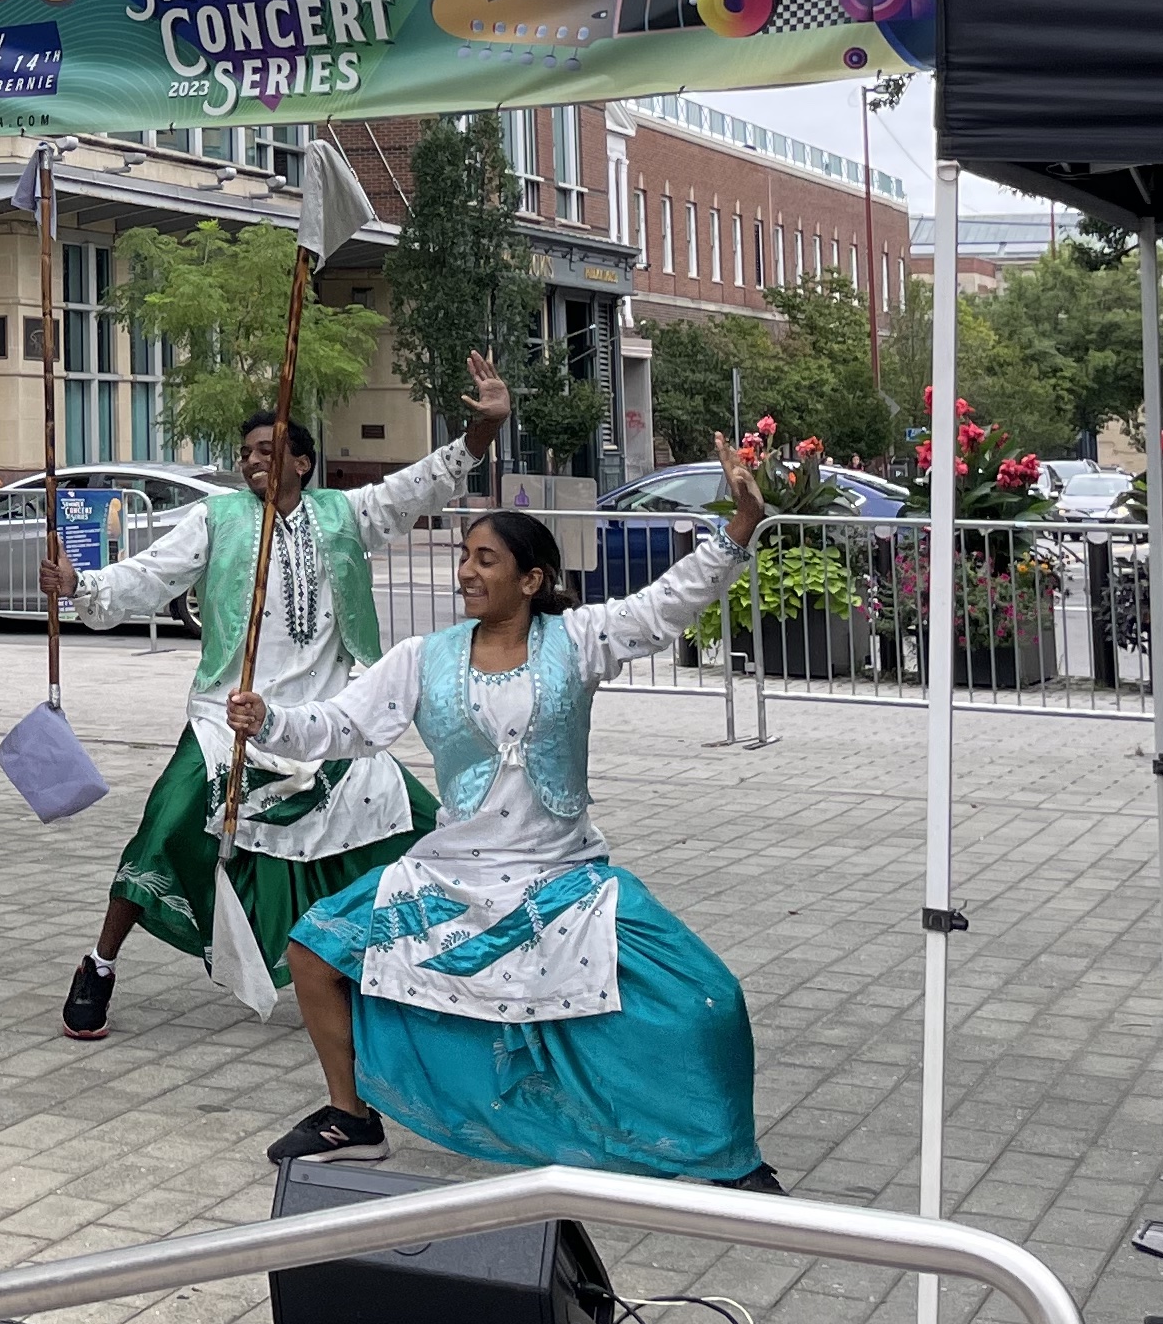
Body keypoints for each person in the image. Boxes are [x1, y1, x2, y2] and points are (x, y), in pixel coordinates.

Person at [232, 449, 777, 1185]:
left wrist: (739, 523)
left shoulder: (580, 640)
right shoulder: (424, 657)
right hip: (450, 875)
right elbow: (339, 726)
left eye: (485, 559)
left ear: (531, 580)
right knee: (315, 953)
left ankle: (720, 1155)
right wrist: (267, 721)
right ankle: (353, 1117)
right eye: (464, 556)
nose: (465, 571)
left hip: (563, 878)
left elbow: (665, 605)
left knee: (705, 997)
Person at [46, 352, 514, 1039]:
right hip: (226, 718)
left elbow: (418, 487)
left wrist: (483, 433)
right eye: (245, 453)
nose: (253, 461)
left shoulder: (347, 515)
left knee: (415, 823)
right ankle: (100, 962)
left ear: (303, 461)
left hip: (325, 719)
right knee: (167, 822)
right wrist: (82, 586)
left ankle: (449, 963)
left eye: (268, 449)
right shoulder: (217, 519)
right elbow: (150, 575)